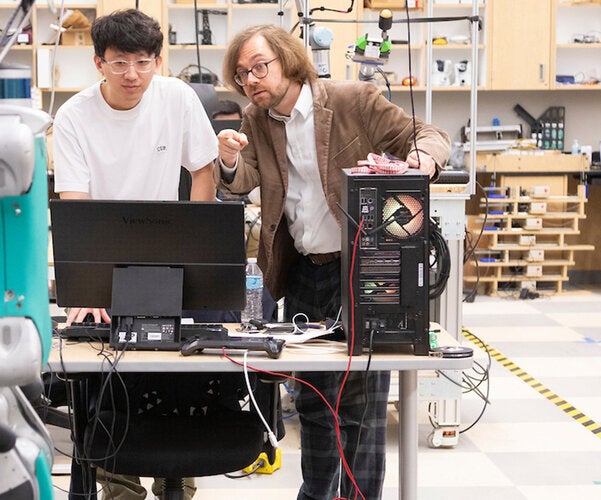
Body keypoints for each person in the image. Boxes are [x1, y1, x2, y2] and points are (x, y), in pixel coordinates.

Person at [214, 25, 450, 500]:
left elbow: (429, 135)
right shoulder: (255, 120)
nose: (251, 80)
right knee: (313, 400)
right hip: (302, 272)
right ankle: (319, 494)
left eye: (259, 67)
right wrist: (228, 160)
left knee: (361, 406)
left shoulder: (351, 100)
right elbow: (243, 181)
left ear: (288, 60)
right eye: (241, 75)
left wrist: (418, 163)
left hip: (361, 269)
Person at [52, 9, 223, 500]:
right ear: (98, 63)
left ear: (158, 61)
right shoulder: (74, 116)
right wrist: (88, 287)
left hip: (170, 260)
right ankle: (120, 485)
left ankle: (178, 484)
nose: (133, 74)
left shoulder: (177, 97)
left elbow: (204, 170)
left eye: (144, 62)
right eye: (120, 62)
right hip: (104, 266)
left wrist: (197, 251)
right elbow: (76, 208)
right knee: (112, 387)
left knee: (179, 385)